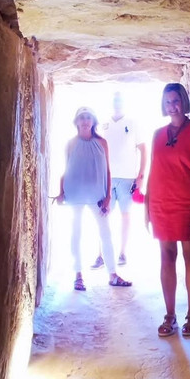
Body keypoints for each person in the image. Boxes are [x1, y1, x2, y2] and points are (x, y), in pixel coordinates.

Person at [145, 83, 190, 336]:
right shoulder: (157, 134)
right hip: (162, 204)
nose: (172, 105)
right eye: (167, 101)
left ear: (183, 101)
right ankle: (170, 315)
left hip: (188, 204)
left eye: (176, 100)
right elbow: (154, 171)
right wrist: (148, 206)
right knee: (166, 257)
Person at [57, 106, 132, 291]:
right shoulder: (70, 143)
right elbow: (65, 169)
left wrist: (107, 197)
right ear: (76, 121)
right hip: (75, 194)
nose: (85, 121)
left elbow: (108, 171)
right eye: (81, 117)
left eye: (88, 117)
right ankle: (78, 274)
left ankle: (113, 274)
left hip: (97, 196)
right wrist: (60, 192)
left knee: (105, 233)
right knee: (76, 233)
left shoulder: (102, 143)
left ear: (93, 121)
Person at [91, 91, 147, 269]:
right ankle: (100, 255)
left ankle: (122, 252)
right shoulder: (103, 124)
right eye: (115, 100)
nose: (117, 103)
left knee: (125, 215)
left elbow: (143, 149)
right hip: (106, 178)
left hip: (127, 177)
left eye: (120, 100)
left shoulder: (132, 123)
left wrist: (140, 176)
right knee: (103, 215)